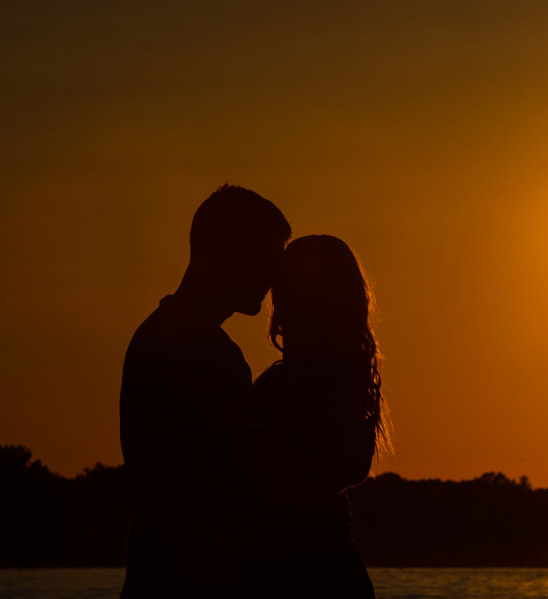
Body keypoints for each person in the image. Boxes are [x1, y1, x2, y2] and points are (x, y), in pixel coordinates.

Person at [119, 184, 291, 598]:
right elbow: (252, 480)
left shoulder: (163, 334)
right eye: (266, 256)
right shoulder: (200, 348)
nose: (274, 275)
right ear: (225, 250)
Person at [254, 235, 391, 598]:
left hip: (300, 566)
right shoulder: (348, 378)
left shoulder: (287, 386)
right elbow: (352, 468)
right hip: (332, 561)